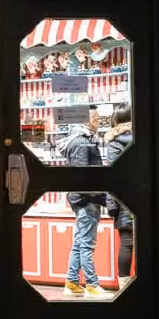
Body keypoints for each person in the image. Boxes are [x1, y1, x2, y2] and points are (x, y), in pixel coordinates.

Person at [57, 106, 112, 299]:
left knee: (79, 243)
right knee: (87, 245)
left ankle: (72, 283)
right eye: (96, 119)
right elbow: (83, 177)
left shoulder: (78, 140)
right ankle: (92, 285)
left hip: (82, 198)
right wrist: (101, 195)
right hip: (87, 200)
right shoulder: (82, 143)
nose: (98, 123)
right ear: (87, 121)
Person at [105, 103, 134, 290]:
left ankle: (124, 286)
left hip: (124, 202)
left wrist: (112, 207)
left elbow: (112, 178)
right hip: (143, 197)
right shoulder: (141, 138)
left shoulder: (114, 143)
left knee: (126, 244)